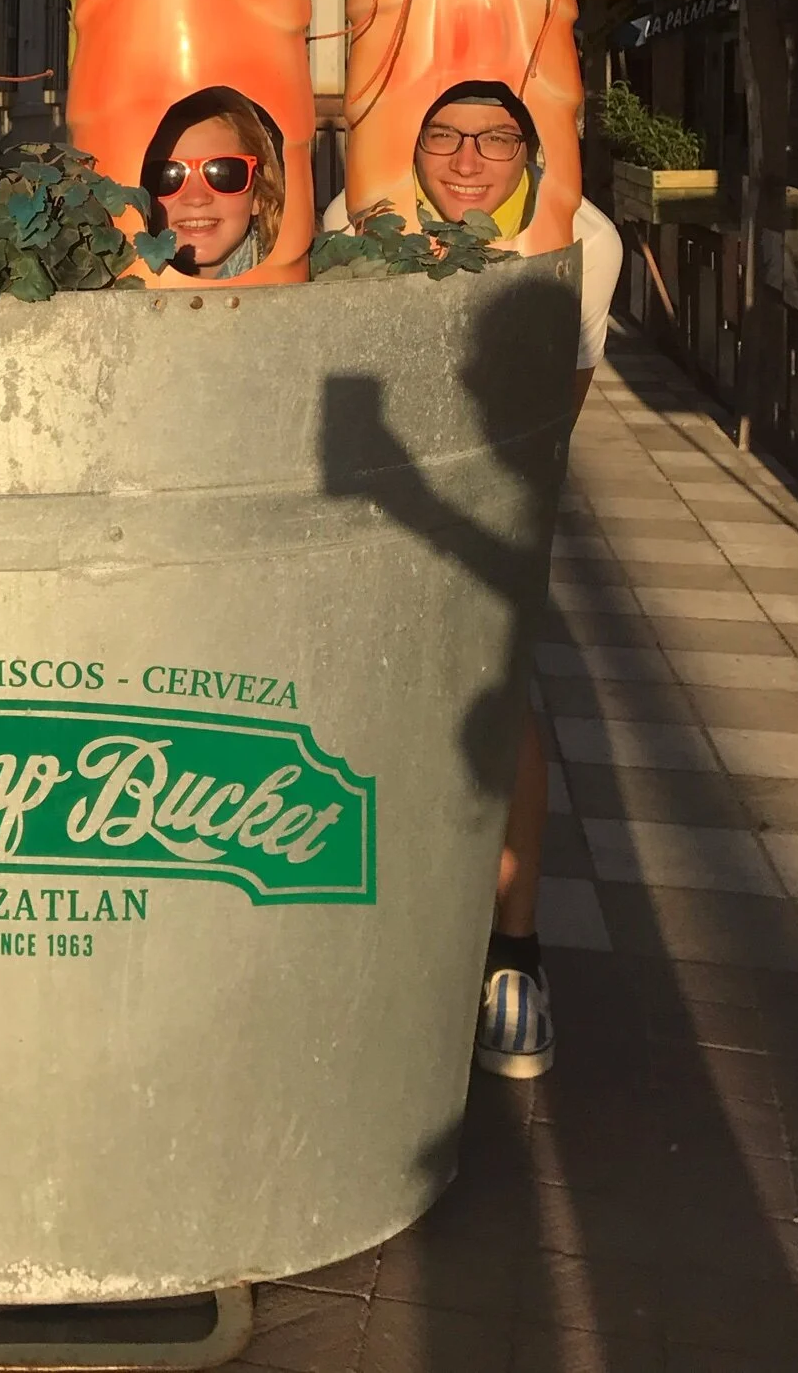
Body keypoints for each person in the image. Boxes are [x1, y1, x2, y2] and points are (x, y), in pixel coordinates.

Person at [324, 81, 621, 1080]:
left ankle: (514, 949)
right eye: (445, 136)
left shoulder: (582, 237)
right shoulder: (355, 217)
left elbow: (559, 406)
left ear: (529, 150)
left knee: (500, 706)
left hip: (495, 491)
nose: (466, 158)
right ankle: (381, 938)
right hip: (370, 490)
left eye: (494, 139)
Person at [141, 90, 285, 280]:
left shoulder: (317, 281)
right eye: (168, 175)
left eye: (222, 173)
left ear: (258, 193)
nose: (197, 198)